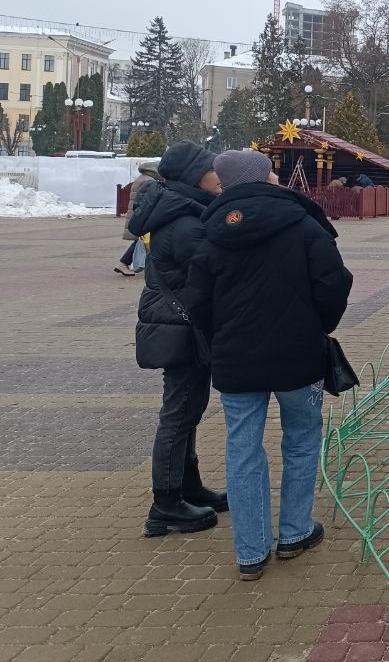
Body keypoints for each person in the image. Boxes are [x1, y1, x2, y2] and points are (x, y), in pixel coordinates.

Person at [188, 149, 353, 581]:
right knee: (301, 439)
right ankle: (295, 532)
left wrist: (219, 339)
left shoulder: (210, 231)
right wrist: (319, 324)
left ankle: (251, 550)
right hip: (298, 356)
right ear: (266, 178)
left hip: (236, 360)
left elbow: (197, 302)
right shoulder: (303, 223)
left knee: (242, 448)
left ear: (225, 185)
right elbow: (334, 283)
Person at [128, 142, 226, 537]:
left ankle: (188, 486)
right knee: (179, 413)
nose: (218, 176)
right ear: (194, 177)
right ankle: (165, 503)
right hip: (182, 328)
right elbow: (216, 268)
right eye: (211, 170)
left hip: (183, 325)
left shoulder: (183, 210)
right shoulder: (186, 221)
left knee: (188, 409)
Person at [116, 160, 161, 276]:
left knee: (141, 240)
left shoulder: (142, 178)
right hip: (142, 215)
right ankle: (124, 263)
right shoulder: (149, 181)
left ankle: (125, 263)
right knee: (143, 240)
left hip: (138, 214)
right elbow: (149, 200)